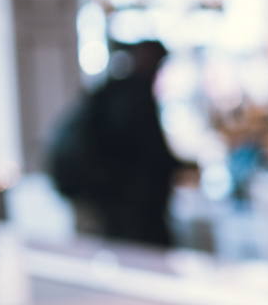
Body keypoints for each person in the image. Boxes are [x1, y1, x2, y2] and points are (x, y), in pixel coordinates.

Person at [48, 40, 183, 246]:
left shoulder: (113, 91)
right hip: (130, 201)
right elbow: (147, 151)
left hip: (115, 198)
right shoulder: (132, 96)